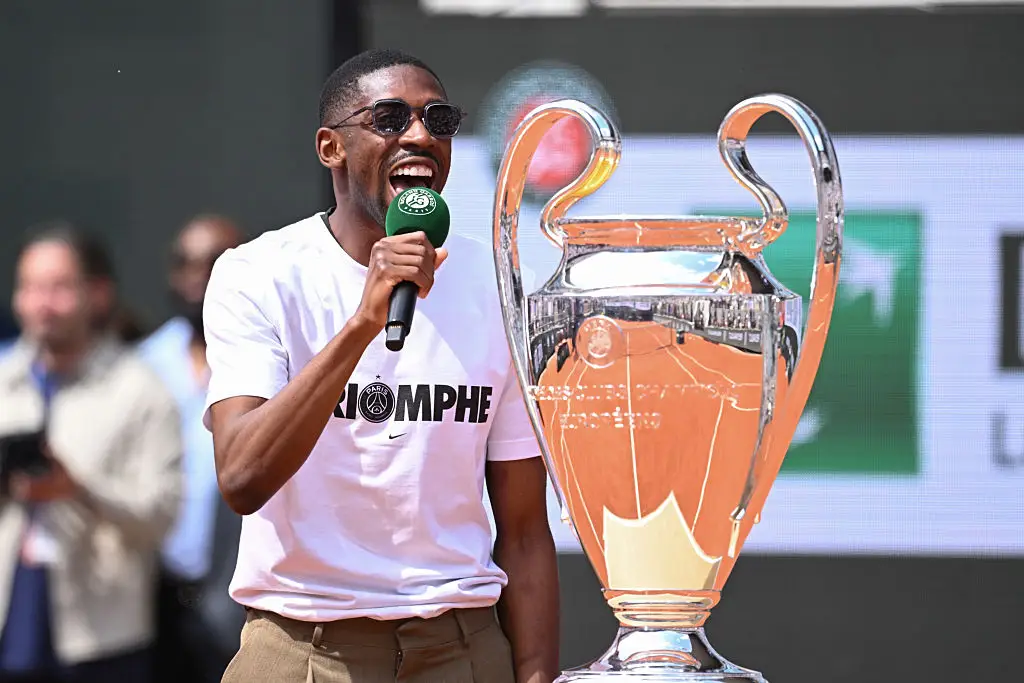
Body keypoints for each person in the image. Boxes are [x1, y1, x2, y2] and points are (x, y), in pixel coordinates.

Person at [202, 48, 560, 683]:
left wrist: (535, 675)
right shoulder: (258, 274)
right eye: (390, 118)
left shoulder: (501, 283)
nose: (419, 135)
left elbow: (526, 529)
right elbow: (242, 477)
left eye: (438, 120)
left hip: (461, 646)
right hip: (305, 647)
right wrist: (363, 323)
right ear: (331, 148)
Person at [0, 222, 183, 683]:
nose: (42, 304)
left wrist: (79, 489)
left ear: (97, 294)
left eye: (59, 288)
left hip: (101, 629)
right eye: (30, 288)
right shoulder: (4, 381)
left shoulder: (139, 390)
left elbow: (160, 515)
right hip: (12, 610)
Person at [138, 215, 246, 683]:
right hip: (157, 595)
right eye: (185, 263)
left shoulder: (274, 356)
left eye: (214, 262)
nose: (197, 277)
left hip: (240, 596)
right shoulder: (143, 364)